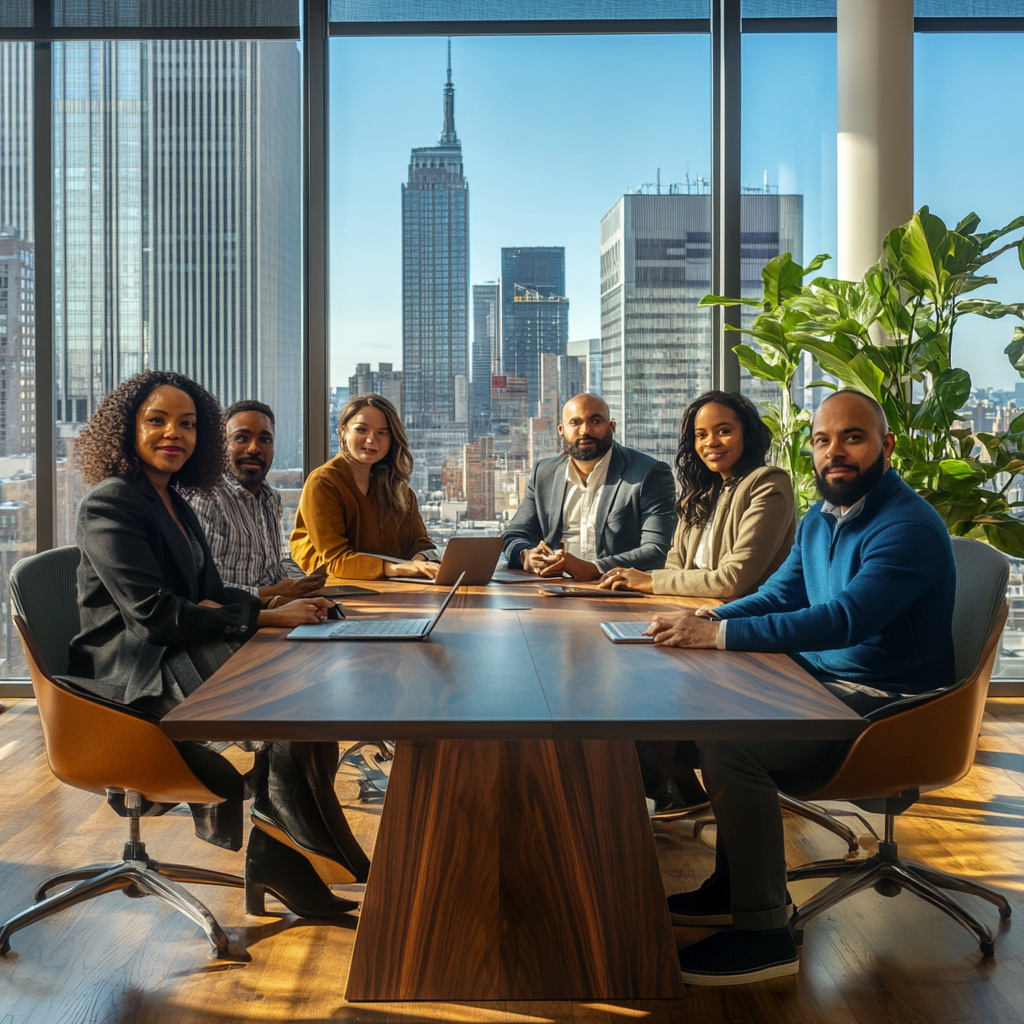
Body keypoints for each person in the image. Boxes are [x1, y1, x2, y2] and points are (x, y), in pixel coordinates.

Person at [647, 389, 955, 986]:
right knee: (706, 706)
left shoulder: (907, 526)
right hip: (829, 683)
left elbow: (845, 620)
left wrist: (720, 637)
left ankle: (765, 935)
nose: (834, 452)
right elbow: (783, 594)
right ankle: (732, 887)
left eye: (853, 438)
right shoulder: (822, 515)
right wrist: (713, 620)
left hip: (891, 707)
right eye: (822, 440)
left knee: (735, 742)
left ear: (886, 445)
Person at [66, 370, 370, 920]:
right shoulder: (111, 502)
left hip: (166, 651)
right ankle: (306, 846)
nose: (172, 434)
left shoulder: (176, 502)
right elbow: (155, 615)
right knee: (289, 681)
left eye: (186, 424)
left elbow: (206, 594)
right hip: (128, 673)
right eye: (156, 421)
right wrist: (262, 617)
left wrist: (266, 610)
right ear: (127, 429)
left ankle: (291, 853)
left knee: (303, 671)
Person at [598, 391, 797, 815]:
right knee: (607, 675)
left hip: (738, 631)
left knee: (631, 687)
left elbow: (732, 580)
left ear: (747, 434)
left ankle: (672, 790)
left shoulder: (767, 483)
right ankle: (678, 789)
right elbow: (674, 564)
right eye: (701, 435)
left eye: (724, 431)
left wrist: (650, 582)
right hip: (692, 618)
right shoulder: (699, 493)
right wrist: (653, 588)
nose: (712, 442)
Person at [501, 393, 676, 581]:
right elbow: (514, 534)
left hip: (615, 589)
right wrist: (525, 557)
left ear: (612, 427)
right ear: (561, 430)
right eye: (575, 422)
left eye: (596, 421)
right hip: (553, 586)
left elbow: (657, 551)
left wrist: (595, 567)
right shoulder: (544, 474)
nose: (585, 430)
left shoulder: (648, 473)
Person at [290, 394, 440, 581]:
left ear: (392, 439)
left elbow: (423, 545)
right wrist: (399, 568)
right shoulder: (323, 482)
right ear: (343, 432)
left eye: (382, 432)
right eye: (361, 429)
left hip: (392, 586)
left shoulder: (400, 491)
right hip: (331, 588)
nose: (371, 440)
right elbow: (336, 562)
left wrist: (419, 563)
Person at [190, 399, 325, 601]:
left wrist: (303, 583)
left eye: (265, 440)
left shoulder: (270, 498)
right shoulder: (206, 498)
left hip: (279, 609)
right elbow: (207, 588)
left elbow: (274, 566)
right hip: (236, 621)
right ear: (221, 444)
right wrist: (274, 593)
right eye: (241, 438)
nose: (254, 448)